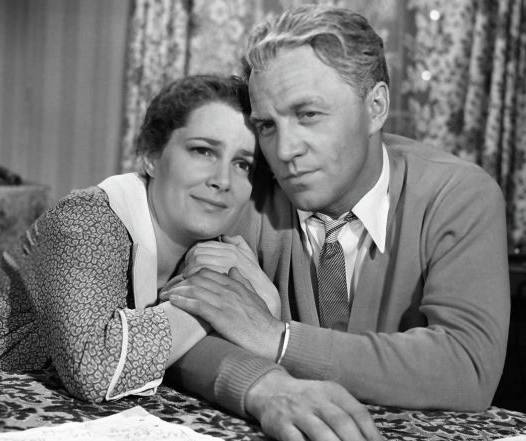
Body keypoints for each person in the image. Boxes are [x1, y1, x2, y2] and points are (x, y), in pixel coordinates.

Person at [161, 5, 510, 441]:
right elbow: (174, 334)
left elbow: (467, 365)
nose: (285, 150)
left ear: (376, 107)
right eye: (267, 125)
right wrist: (265, 387)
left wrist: (278, 339)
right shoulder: (244, 190)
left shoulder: (458, 195)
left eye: (308, 114)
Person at [0, 74, 284, 403]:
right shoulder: (84, 222)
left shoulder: (217, 251)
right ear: (150, 156)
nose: (223, 180)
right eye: (203, 151)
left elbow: (237, 345)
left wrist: (266, 301)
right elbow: (94, 368)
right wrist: (221, 305)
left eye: (242, 164)